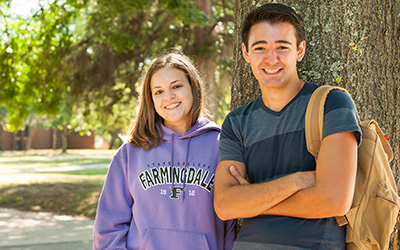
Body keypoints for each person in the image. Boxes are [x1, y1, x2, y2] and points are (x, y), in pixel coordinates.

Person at [214, 3, 361, 249]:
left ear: (300, 50)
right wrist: (297, 181)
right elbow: (225, 205)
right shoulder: (237, 122)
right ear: (246, 53)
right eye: (260, 48)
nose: (271, 59)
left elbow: (335, 200)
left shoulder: (331, 104)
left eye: (282, 47)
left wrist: (252, 200)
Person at [94, 51, 235, 250]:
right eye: (158, 91)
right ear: (150, 99)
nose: (168, 97)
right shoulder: (131, 152)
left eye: (176, 86)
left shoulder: (221, 146)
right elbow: (108, 228)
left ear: (193, 88)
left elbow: (230, 225)